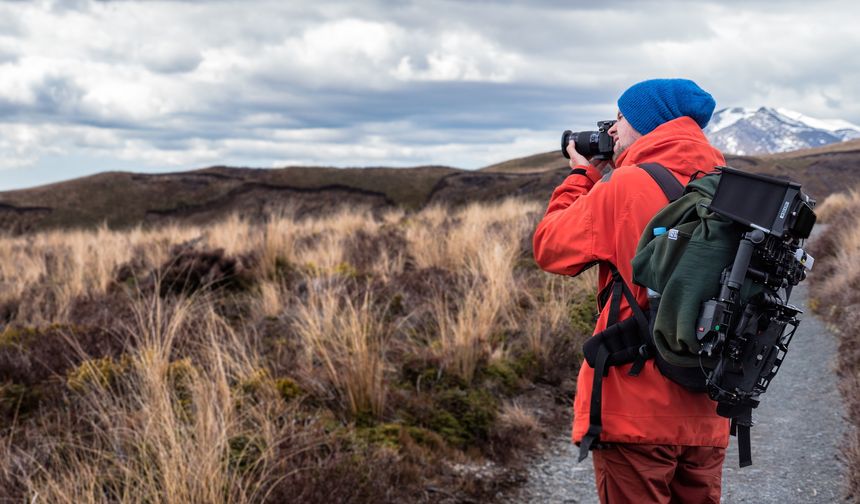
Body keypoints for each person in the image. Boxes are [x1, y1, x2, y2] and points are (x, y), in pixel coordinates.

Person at [532, 78, 730, 503]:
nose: (613, 130)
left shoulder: (624, 187)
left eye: (621, 117)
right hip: (707, 408)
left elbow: (550, 248)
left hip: (636, 403)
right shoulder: (728, 187)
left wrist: (583, 176)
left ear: (647, 121)